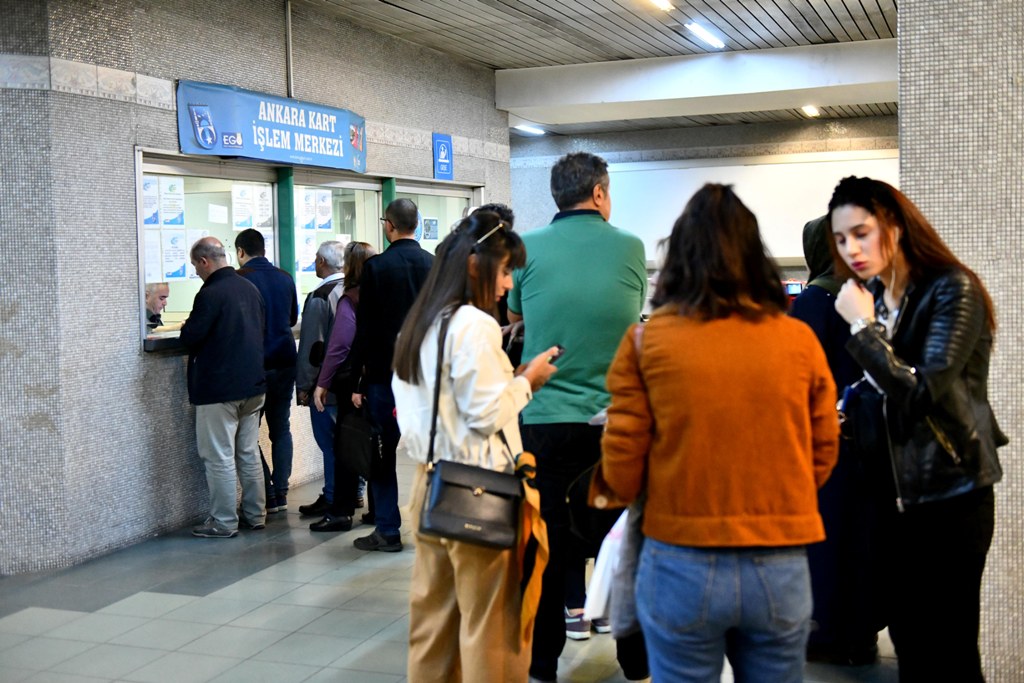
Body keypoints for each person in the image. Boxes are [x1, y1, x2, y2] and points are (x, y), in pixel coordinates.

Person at [598, 184, 839, 682]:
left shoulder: (646, 342)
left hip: (678, 559)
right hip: (780, 560)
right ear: (756, 259)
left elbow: (620, 468)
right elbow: (823, 451)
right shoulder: (798, 340)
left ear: (677, 259)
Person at [829, 176, 1005, 683]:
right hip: (895, 500)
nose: (851, 249)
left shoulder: (952, 289)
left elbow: (921, 392)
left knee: (948, 652)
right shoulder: (880, 297)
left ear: (895, 226)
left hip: (951, 495)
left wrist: (862, 329)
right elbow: (886, 398)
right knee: (910, 645)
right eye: (841, 239)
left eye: (861, 233)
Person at [392, 211, 559, 682]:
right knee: (490, 629)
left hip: (430, 484)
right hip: (480, 488)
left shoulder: (420, 323)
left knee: (434, 625)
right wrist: (527, 381)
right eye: (504, 271)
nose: (507, 284)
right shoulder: (475, 325)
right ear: (474, 264)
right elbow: (486, 415)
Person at [506, 152, 648, 682]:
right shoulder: (630, 246)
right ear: (599, 193)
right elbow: (631, 316)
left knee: (546, 547)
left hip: (544, 421)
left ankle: (543, 663)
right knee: (624, 543)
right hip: (617, 423)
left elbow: (517, 317)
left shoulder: (526, 249)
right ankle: (637, 663)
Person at [789, 215, 886, 666]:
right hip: (869, 439)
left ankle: (827, 635)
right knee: (863, 539)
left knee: (826, 544)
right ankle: (861, 635)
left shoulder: (812, 300)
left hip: (826, 442)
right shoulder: (866, 296)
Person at [347, 198, 433, 552]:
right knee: (431, 453)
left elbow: (365, 328)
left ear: (389, 225)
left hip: (385, 376)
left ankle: (387, 529)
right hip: (426, 376)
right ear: (417, 224)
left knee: (381, 452)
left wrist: (357, 379)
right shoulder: (434, 263)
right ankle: (435, 526)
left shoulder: (377, 267)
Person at [178, 237, 267, 538]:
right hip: (253, 384)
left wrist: (186, 329)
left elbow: (191, 336)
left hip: (219, 388)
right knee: (248, 453)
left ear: (205, 261)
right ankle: (255, 514)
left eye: (195, 265)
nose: (196, 272)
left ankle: (224, 521)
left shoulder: (210, 293)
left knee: (218, 456)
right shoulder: (249, 288)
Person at [309, 241, 377, 532]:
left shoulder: (350, 298)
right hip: (380, 379)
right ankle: (378, 510)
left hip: (353, 383)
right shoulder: (381, 294)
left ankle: (340, 511)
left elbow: (339, 346)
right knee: (376, 448)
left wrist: (322, 382)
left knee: (346, 445)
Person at [235, 228, 299, 513]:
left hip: (255, 364)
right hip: (285, 361)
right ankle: (282, 490)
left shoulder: (240, 279)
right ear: (264, 249)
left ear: (240, 252)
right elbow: (292, 318)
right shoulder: (285, 277)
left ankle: (267, 492)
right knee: (281, 427)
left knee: (247, 432)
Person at [295, 240, 347, 519]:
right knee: (348, 441)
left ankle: (333, 496)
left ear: (322, 262)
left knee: (329, 443)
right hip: (349, 382)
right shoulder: (352, 289)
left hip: (326, 386)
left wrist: (305, 385)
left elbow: (312, 347)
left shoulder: (320, 296)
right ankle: (353, 491)